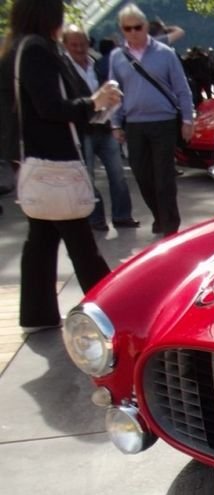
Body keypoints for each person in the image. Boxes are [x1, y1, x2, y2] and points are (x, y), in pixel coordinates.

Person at [0, 0, 121, 334]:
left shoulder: (17, 48)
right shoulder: (37, 49)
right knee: (81, 243)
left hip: (34, 160)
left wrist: (93, 106)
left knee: (40, 239)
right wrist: (94, 103)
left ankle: (38, 313)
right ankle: (112, 311)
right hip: (53, 159)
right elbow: (51, 108)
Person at [108, 3, 194, 236]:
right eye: (128, 29)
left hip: (163, 122)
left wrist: (187, 119)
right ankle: (159, 215)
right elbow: (113, 93)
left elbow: (182, 89)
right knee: (142, 176)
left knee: (164, 177)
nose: (134, 32)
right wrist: (115, 123)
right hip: (134, 124)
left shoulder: (165, 53)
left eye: (138, 27)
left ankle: (169, 226)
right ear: (122, 30)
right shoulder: (117, 57)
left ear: (146, 26)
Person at [61, 24, 139, 233]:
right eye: (74, 44)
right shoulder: (62, 69)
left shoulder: (95, 64)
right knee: (87, 178)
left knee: (118, 175)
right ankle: (96, 219)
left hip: (104, 127)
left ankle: (122, 216)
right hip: (82, 130)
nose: (79, 48)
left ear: (89, 43)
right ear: (65, 45)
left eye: (82, 44)